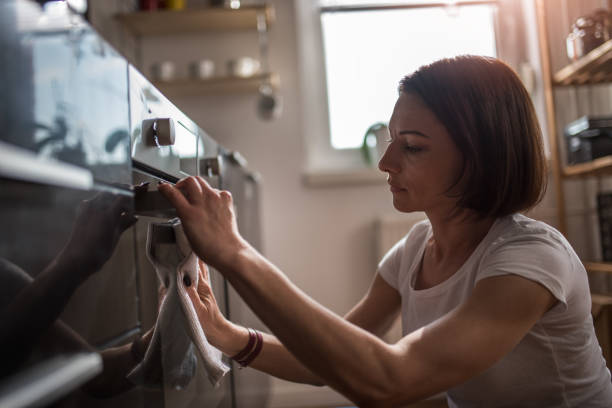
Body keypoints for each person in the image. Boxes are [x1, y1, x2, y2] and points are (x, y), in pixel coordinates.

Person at [158, 55, 612, 407]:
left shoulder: (531, 261)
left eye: (411, 146)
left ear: (481, 156)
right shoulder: (416, 249)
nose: (386, 163)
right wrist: (227, 334)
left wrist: (234, 253)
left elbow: (389, 382)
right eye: (392, 140)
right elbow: (331, 360)